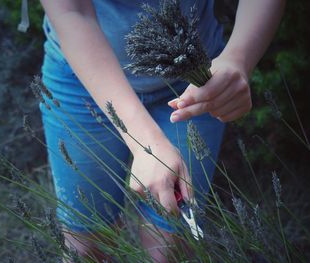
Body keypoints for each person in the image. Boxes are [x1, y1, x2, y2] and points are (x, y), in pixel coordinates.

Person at [38, 0, 285, 262]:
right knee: (86, 246)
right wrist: (147, 143)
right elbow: (71, 12)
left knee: (170, 247)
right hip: (81, 80)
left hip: (195, 79)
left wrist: (239, 58)